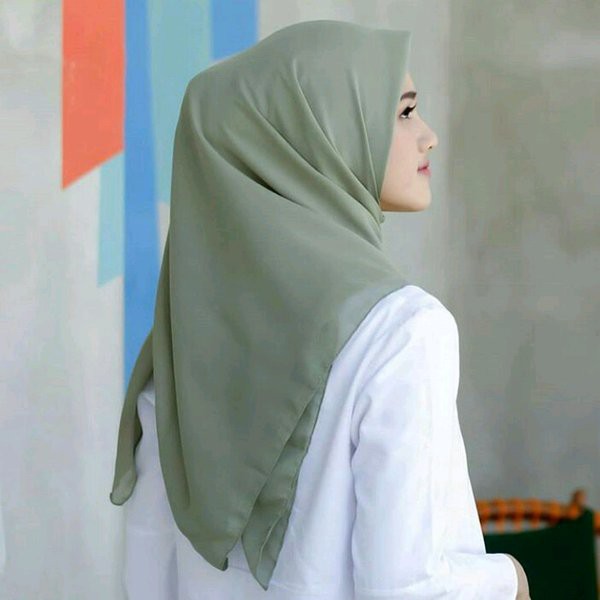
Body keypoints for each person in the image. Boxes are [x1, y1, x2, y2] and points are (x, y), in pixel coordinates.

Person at [110, 20, 530, 599]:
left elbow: (146, 580)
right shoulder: (401, 333)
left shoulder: (179, 350)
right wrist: (511, 579)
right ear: (320, 132)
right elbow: (407, 589)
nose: (429, 136)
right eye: (405, 112)